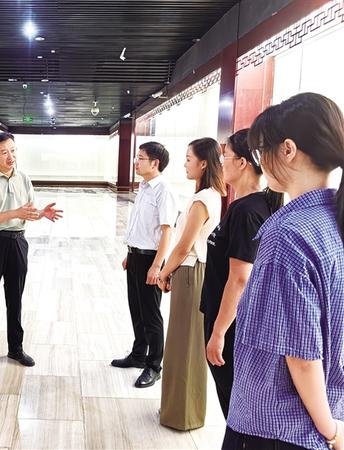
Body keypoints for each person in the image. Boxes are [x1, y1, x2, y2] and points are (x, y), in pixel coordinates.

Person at [224, 93, 344, 450]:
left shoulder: (287, 235)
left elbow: (303, 357)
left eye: (262, 150)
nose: (260, 161)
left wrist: (331, 432)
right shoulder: (331, 220)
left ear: (288, 149)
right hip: (319, 413)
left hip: (276, 427)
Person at [200, 129, 283, 419]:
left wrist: (219, 332)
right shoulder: (249, 206)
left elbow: (240, 278)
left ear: (243, 163)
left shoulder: (248, 211)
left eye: (225, 156)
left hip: (232, 324)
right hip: (228, 317)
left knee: (236, 404)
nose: (220, 163)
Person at [0, 132, 63, 376]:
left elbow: (27, 212)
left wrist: (41, 214)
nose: (10, 156)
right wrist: (15, 213)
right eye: (4, 152)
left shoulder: (23, 178)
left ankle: (16, 349)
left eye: (13, 150)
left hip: (18, 243)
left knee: (16, 298)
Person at [157, 137, 225, 431]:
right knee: (186, 344)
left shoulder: (202, 200)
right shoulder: (212, 195)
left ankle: (182, 415)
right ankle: (182, 410)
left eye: (188, 159)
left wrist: (163, 272)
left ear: (203, 163)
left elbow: (184, 246)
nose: (184, 164)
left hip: (189, 271)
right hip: (194, 270)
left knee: (183, 346)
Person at [111, 142, 178, 388]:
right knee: (136, 309)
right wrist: (130, 253)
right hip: (136, 256)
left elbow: (167, 231)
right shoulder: (144, 187)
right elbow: (140, 225)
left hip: (151, 259)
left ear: (155, 163)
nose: (136, 163)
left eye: (140, 158)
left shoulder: (164, 191)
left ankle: (153, 366)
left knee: (151, 315)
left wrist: (157, 266)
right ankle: (138, 354)